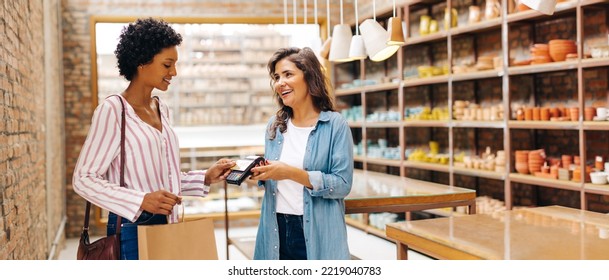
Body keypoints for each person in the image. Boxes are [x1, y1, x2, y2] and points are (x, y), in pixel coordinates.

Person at [72, 17, 235, 260]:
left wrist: (205, 177)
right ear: (141, 62)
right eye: (167, 65)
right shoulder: (113, 111)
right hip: (131, 229)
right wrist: (141, 200)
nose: (174, 72)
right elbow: (83, 179)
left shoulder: (162, 109)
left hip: (169, 221)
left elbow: (163, 176)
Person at [250, 47, 354, 260]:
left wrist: (289, 172)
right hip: (275, 227)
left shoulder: (335, 125)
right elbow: (275, 179)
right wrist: (258, 174)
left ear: (309, 77)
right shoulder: (275, 126)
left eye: (288, 74)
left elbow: (342, 184)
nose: (280, 82)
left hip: (315, 228)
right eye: (277, 77)